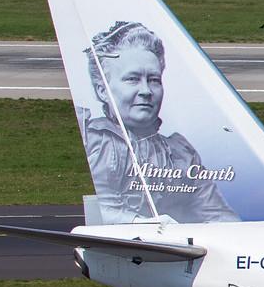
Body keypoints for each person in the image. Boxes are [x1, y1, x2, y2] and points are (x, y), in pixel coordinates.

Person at [81, 20, 238, 223]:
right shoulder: (96, 141)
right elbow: (103, 211)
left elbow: (219, 216)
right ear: (102, 90)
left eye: (154, 80)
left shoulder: (181, 154)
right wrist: (140, 224)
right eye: (132, 79)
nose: (146, 91)